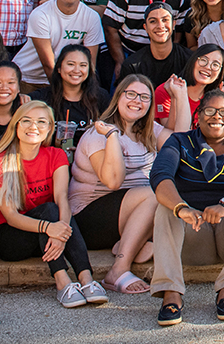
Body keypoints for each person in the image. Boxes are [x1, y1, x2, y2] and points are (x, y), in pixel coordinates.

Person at [148, 90, 224, 325]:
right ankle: (170, 292)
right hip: (196, 232)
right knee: (166, 208)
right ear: (198, 115)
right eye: (210, 111)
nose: (217, 117)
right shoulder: (179, 142)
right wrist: (182, 208)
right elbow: (160, 177)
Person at [70, 75, 185, 295]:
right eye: (131, 94)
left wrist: (179, 95)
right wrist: (112, 137)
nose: (137, 101)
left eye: (144, 97)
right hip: (88, 217)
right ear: (118, 97)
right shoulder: (99, 133)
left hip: (130, 212)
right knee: (155, 195)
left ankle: (129, 244)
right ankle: (118, 270)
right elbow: (112, 182)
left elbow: (180, 144)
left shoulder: (147, 131)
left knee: (174, 201)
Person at [0, 101, 106, 308]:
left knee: (55, 209)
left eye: (42, 122)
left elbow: (62, 199)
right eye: (27, 121)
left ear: (50, 128)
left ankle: (86, 280)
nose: (34, 127)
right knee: (49, 212)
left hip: (45, 232)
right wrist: (51, 229)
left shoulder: (56, 155)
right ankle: (62, 282)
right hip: (8, 237)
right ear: (16, 125)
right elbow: (11, 216)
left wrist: (60, 235)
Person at [13, 0, 106, 90]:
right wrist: (64, 93)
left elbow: (90, 63)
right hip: (29, 78)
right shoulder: (40, 14)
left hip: (66, 78)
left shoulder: (91, 17)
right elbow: (48, 64)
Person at [28, 45, 110, 159]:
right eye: (70, 64)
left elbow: (111, 135)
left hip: (89, 163)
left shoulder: (101, 97)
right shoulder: (43, 97)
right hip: (49, 161)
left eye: (83, 65)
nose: (76, 70)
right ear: (59, 68)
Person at [152, 44, 224, 128]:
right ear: (193, 61)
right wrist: (175, 98)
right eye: (203, 60)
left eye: (215, 65)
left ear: (220, 74)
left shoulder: (214, 98)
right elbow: (171, 134)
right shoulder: (167, 90)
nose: (208, 67)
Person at [121, 2, 194, 88]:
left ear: (174, 24)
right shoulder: (132, 65)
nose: (160, 26)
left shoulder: (190, 60)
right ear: (146, 28)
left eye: (165, 20)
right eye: (153, 21)